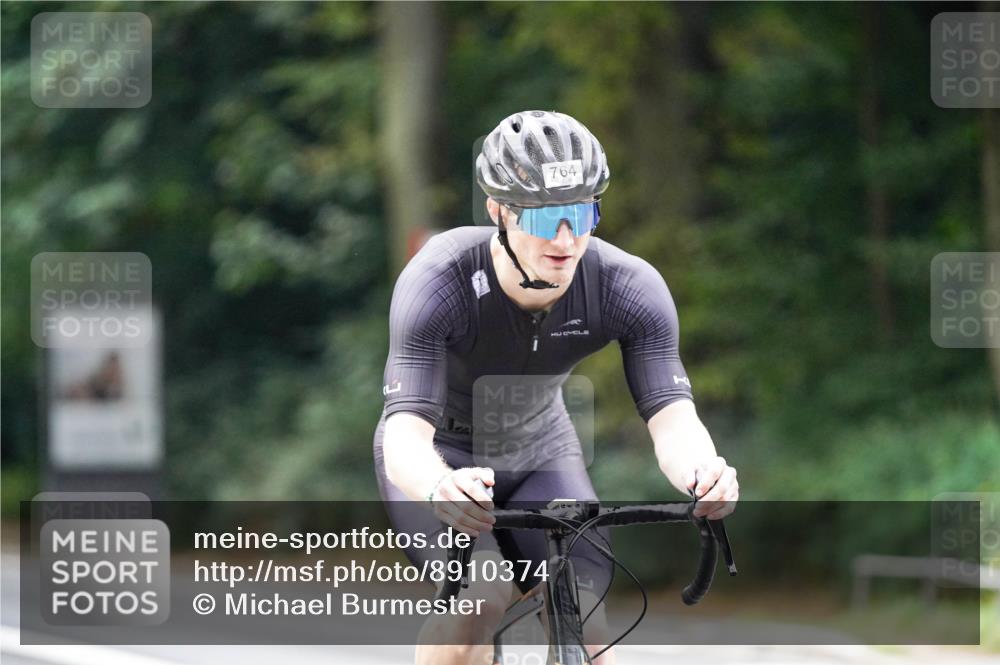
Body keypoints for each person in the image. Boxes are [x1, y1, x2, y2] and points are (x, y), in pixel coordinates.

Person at [374, 110, 739, 665]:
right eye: (546, 220)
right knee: (479, 601)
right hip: (438, 453)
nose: (567, 239)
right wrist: (438, 487)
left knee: (589, 625)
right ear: (499, 211)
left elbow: (672, 416)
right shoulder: (439, 280)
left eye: (581, 213)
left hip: (542, 448)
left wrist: (703, 472)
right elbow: (403, 436)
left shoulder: (626, 285)